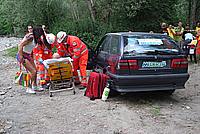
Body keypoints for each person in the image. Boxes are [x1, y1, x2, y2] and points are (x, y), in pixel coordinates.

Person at [16, 25, 37, 94]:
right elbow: (20, 45)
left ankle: (35, 85)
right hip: (23, 55)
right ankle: (29, 87)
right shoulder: (30, 37)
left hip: (28, 55)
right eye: (29, 28)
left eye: (31, 28)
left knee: (35, 71)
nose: (30, 30)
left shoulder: (34, 37)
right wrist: (21, 56)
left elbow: (30, 48)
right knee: (33, 71)